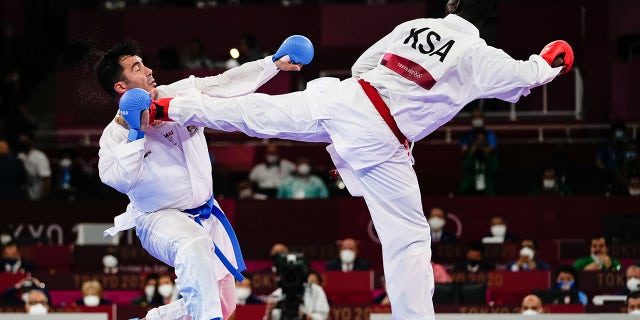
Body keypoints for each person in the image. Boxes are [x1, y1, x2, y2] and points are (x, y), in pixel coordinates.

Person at [121, 0, 573, 317]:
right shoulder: (479, 53)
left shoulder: (415, 25)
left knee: (259, 113)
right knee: (410, 241)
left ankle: (170, 106)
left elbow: (362, 65)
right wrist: (554, 59)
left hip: (347, 99)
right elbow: (526, 77)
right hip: (381, 140)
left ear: (452, 8)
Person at [96, 37, 303, 320]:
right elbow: (117, 180)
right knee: (192, 243)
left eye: (144, 64)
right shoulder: (115, 134)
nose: (148, 71)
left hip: (206, 211)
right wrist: (136, 135)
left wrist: (271, 64)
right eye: (137, 67)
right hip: (159, 218)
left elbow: (223, 84)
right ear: (121, 86)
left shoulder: (178, 96)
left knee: (225, 302)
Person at [459, 129, 499, 195]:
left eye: (482, 142)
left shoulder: (492, 155)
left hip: (488, 190)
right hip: (470, 190)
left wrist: (487, 153)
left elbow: (494, 169)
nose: (480, 145)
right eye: (478, 142)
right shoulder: (468, 154)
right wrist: (471, 152)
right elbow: (465, 167)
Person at [16, 132, 51, 201]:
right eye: (21, 141)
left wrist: (44, 197)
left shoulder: (40, 157)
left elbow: (46, 179)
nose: (23, 143)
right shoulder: (19, 156)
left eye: (25, 141)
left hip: (38, 197)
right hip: (24, 197)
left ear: (31, 141)